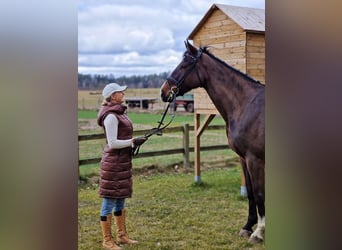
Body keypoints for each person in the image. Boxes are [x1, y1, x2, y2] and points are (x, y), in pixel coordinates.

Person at [97, 82, 147, 250]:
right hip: (113, 164)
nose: (123, 93)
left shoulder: (120, 113)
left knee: (120, 201)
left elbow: (122, 139)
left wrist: (135, 141)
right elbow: (112, 143)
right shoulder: (111, 116)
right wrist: (133, 142)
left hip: (122, 163)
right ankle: (107, 240)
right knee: (109, 202)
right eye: (120, 92)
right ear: (112, 96)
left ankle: (122, 235)